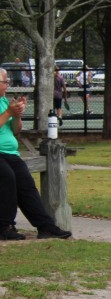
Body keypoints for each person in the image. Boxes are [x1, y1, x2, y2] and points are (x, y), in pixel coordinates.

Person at [0, 69, 72, 240]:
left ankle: (45, 226)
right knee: (7, 178)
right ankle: (4, 227)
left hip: (9, 152)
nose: (7, 85)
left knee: (26, 183)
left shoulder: (3, 101)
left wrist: (17, 116)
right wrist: (9, 112)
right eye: (4, 82)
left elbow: (16, 130)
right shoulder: (6, 106)